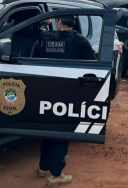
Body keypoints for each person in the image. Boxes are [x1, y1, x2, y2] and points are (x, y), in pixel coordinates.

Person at [36, 15, 96, 187]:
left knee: (47, 130)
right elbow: (93, 66)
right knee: (62, 132)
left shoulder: (47, 37)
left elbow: (41, 32)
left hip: (45, 92)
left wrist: (45, 23)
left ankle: (43, 167)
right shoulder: (81, 41)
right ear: (75, 23)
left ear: (59, 22)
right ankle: (56, 175)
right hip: (67, 94)